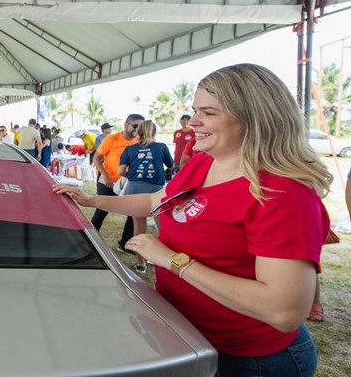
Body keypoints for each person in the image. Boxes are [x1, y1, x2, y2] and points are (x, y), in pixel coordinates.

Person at [54, 64, 331, 376]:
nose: (194, 122)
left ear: (254, 117)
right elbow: (153, 201)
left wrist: (175, 261)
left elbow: (283, 311)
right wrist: (92, 200)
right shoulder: (202, 163)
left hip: (251, 359)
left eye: (209, 113)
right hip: (187, 335)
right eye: (195, 110)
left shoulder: (282, 193)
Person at [118, 120, 173, 273]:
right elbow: (171, 166)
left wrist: (134, 175)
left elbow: (121, 171)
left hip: (135, 189)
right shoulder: (161, 147)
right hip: (155, 191)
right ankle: (163, 260)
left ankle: (141, 263)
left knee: (139, 227)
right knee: (163, 228)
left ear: (138, 133)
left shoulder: (129, 149)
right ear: (154, 132)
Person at [91, 114, 145, 253]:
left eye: (140, 127)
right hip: (107, 182)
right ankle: (90, 240)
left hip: (127, 183)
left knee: (131, 213)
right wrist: (107, 177)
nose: (137, 129)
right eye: (135, 126)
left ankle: (125, 244)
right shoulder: (111, 139)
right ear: (126, 124)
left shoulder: (138, 142)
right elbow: (96, 159)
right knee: (101, 211)